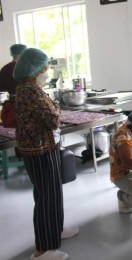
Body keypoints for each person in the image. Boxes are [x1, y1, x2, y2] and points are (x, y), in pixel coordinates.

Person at [13, 48, 79, 260]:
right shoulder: (29, 91)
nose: (47, 71)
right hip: (38, 149)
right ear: (35, 70)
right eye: (45, 68)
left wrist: (54, 106)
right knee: (45, 197)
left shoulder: (31, 87)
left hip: (44, 146)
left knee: (52, 191)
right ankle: (42, 249)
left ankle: (55, 230)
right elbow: (52, 118)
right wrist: (57, 106)